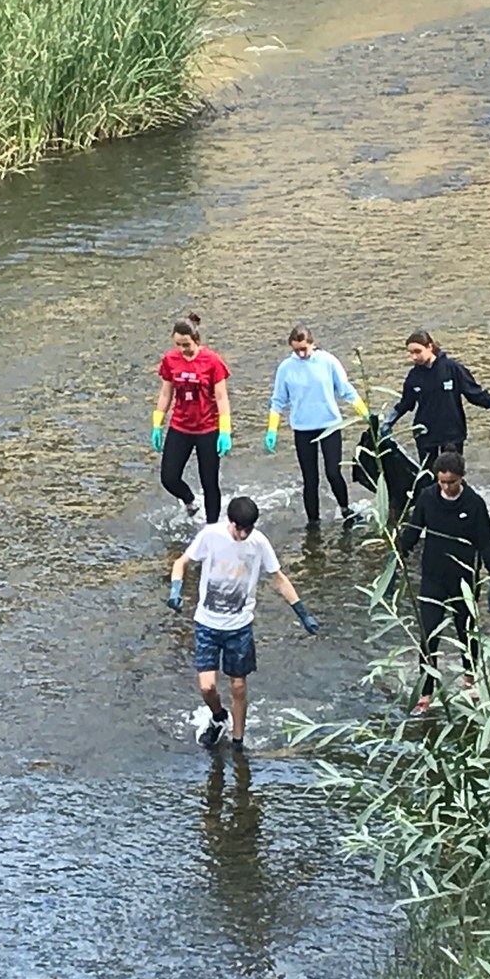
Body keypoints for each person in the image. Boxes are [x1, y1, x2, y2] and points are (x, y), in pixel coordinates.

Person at [167, 495, 320, 750]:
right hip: (207, 623)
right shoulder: (211, 535)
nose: (244, 535)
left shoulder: (258, 543)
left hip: (239, 626)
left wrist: (302, 612)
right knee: (207, 687)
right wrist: (175, 589)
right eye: (240, 529)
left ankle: (238, 741)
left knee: (238, 685)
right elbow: (181, 562)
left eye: (249, 530)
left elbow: (278, 578)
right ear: (231, 522)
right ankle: (218, 717)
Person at [396, 450, 490, 716]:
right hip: (432, 579)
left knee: (467, 633)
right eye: (442, 482)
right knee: (429, 636)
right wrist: (395, 558)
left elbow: (487, 544)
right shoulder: (428, 498)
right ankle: (426, 692)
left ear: (461, 478)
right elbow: (412, 531)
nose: (446, 487)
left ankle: (470, 679)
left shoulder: (474, 503)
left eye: (451, 482)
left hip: (464, 580)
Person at [379, 329, 490, 471]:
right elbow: (405, 404)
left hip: (452, 433)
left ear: (429, 347)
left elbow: (476, 395)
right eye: (410, 353)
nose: (414, 357)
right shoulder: (413, 377)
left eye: (418, 351)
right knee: (429, 477)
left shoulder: (453, 369)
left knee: (452, 474)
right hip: (425, 435)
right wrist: (387, 423)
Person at [264, 326, 369, 525]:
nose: (301, 354)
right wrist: (272, 429)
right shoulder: (286, 368)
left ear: (312, 343)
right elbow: (278, 400)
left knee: (333, 472)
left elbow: (346, 390)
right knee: (310, 479)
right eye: (297, 350)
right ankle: (313, 521)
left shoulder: (328, 362)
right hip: (303, 429)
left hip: (329, 425)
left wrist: (365, 414)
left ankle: (345, 509)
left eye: (304, 348)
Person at [153, 313, 231, 524]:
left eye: (186, 344)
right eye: (178, 344)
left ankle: (212, 527)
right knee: (168, 477)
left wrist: (225, 431)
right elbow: (166, 393)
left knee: (209, 481)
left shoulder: (212, 361)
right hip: (181, 426)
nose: (182, 349)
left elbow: (222, 397)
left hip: (207, 428)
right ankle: (189, 500)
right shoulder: (170, 360)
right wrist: (157, 424)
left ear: (196, 340)